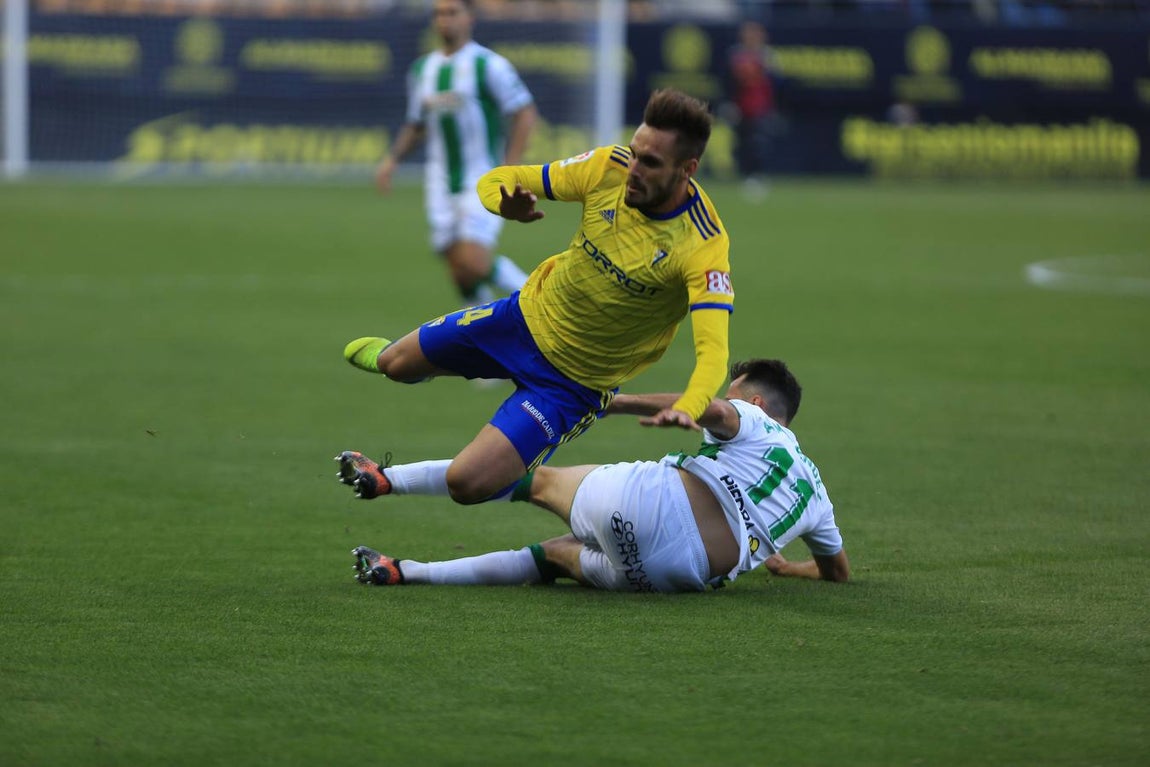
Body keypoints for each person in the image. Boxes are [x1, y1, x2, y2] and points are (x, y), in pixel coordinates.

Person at [340, 88, 734, 506]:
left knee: (467, 484)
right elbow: (498, 178)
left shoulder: (702, 245)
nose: (634, 168)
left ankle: (448, 469)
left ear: (687, 169)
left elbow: (714, 356)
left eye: (650, 162)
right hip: (521, 319)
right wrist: (502, 206)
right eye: (635, 152)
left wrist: (688, 406)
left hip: (571, 384)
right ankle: (422, 368)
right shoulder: (608, 168)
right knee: (393, 364)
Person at [348, 359, 850, 593]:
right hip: (676, 576)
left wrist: (615, 402)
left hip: (650, 505)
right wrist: (788, 568)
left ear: (757, 402)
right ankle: (405, 571)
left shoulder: (756, 420)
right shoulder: (818, 495)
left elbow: (714, 409)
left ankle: (389, 477)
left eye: (735, 388)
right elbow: (837, 572)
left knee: (533, 479)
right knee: (552, 557)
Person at [375, 0, 537, 307]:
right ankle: (484, 333)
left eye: (452, 12)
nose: (444, 20)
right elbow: (416, 124)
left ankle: (543, 298)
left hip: (482, 179)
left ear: (470, 18)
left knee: (474, 262)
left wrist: (511, 167)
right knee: (459, 271)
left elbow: (525, 113)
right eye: (438, 13)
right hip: (439, 181)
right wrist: (392, 159)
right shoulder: (423, 69)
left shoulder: (488, 65)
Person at [726, 20, 778, 195]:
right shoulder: (735, 55)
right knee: (742, 143)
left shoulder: (767, 56)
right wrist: (731, 104)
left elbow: (774, 85)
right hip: (741, 108)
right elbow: (730, 83)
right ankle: (745, 175)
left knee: (758, 143)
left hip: (760, 108)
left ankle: (758, 176)